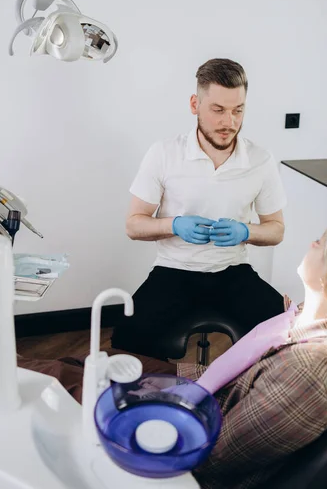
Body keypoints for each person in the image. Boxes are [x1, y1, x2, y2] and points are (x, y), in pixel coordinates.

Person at [19, 212, 327, 488]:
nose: (313, 243)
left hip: (187, 437)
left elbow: (209, 459)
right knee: (95, 361)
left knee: (52, 377)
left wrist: (144, 400)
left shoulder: (307, 377)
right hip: (205, 393)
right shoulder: (299, 321)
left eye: (322, 243)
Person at [111, 58, 287, 358]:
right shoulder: (164, 153)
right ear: (195, 104)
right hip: (175, 270)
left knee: (283, 332)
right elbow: (133, 225)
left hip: (233, 271)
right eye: (218, 110)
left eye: (238, 110)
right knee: (129, 337)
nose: (229, 122)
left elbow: (276, 230)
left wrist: (246, 231)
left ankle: (247, 398)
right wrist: (173, 224)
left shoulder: (261, 160)